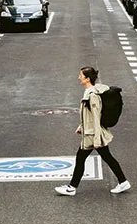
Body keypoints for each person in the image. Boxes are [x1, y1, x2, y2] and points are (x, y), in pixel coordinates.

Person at [55, 66, 130, 196]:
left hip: (92, 134)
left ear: (87, 79)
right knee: (107, 157)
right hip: (90, 131)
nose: (79, 78)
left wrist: (96, 139)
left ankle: (71, 187)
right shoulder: (89, 92)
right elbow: (87, 115)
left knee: (81, 158)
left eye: (81, 76)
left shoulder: (93, 95)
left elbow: (96, 117)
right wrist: (81, 127)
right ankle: (123, 181)